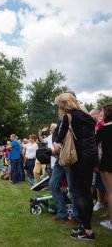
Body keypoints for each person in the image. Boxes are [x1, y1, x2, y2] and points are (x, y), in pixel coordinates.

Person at [53, 93, 98, 240]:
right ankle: (86, 226)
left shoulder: (69, 117)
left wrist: (55, 146)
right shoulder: (88, 117)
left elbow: (59, 141)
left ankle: (88, 231)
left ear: (63, 104)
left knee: (79, 194)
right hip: (91, 158)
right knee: (86, 194)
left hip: (78, 159)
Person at [96, 103, 112, 230]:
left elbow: (93, 145)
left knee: (110, 193)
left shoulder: (103, 129)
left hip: (107, 163)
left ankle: (111, 222)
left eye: (102, 112)